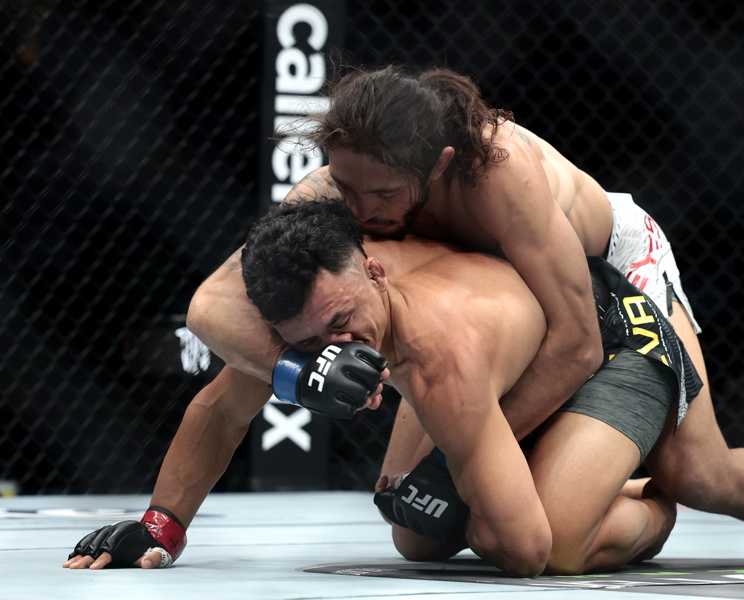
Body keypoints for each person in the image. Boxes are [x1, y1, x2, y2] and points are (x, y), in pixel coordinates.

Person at [185, 65, 744, 561]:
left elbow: (578, 343)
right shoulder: (345, 185)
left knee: (698, 471)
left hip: (607, 275)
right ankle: (579, 483)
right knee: (418, 537)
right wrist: (294, 375)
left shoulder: (500, 172)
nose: (358, 213)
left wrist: (455, 464)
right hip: (500, 309)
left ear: (437, 164)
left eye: (383, 193)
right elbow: (214, 303)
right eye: (347, 188)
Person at [64, 201, 685, 574]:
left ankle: (656, 501)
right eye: (315, 345)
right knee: (416, 539)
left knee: (552, 548)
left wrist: (454, 472)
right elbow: (223, 407)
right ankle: (545, 465)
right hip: (507, 355)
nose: (343, 348)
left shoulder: (439, 348)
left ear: (373, 270)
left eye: (341, 324)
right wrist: (160, 527)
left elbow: (522, 550)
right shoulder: (314, 309)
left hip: (608, 337)